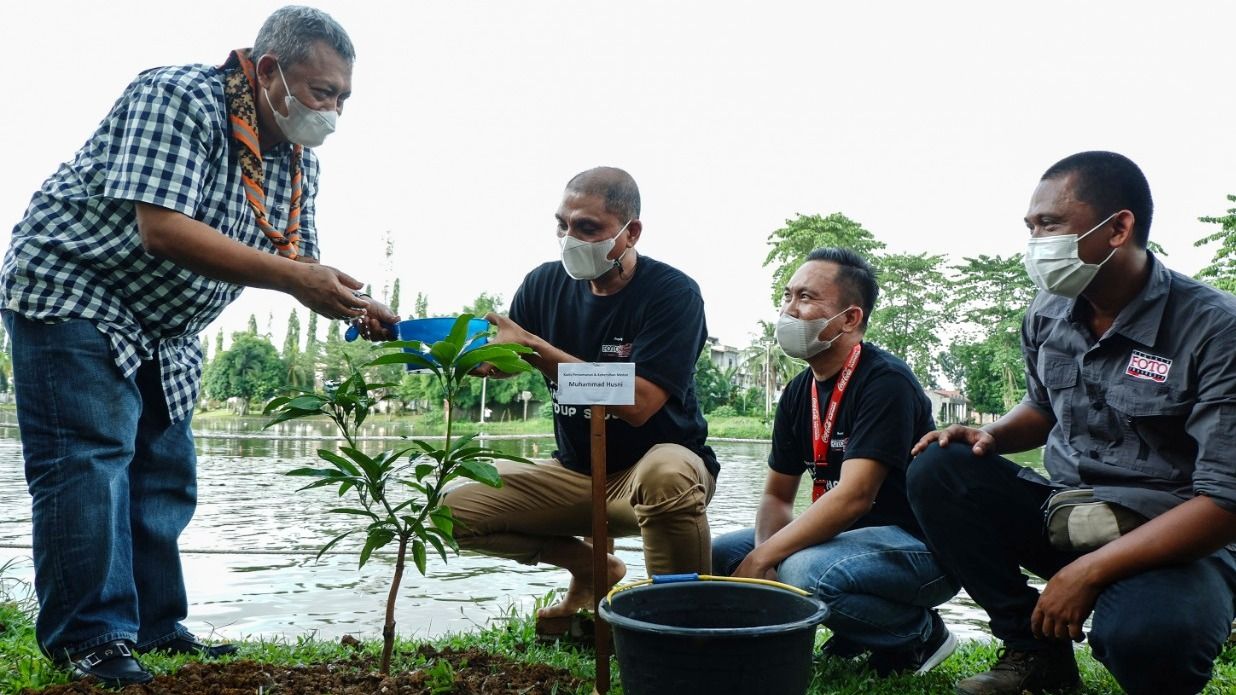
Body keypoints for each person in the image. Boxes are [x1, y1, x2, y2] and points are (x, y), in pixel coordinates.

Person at [0, 6, 397, 687]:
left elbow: (297, 259)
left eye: (343, 98)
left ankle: (155, 625)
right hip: (76, 288)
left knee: (164, 471)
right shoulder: (179, 96)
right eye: (322, 91)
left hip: (164, 325)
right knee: (91, 460)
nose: (333, 111)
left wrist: (356, 305)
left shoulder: (298, 161)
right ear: (269, 70)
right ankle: (91, 640)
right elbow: (163, 230)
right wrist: (300, 279)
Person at [908, 151, 1236, 695]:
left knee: (1153, 639)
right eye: (1031, 227)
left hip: (1172, 532)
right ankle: (1034, 653)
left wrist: (1087, 573)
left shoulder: (1214, 329)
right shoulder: (1047, 311)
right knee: (939, 466)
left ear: (1119, 228)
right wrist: (992, 435)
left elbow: (1226, 503)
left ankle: (1147, 633)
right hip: (1068, 512)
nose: (1036, 243)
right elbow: (1042, 407)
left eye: (1051, 225)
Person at [445, 166, 718, 627]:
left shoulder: (673, 294)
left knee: (667, 473)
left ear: (630, 233)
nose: (570, 237)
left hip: (650, 473)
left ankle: (681, 627)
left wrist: (536, 349)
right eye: (562, 224)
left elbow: (637, 404)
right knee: (451, 510)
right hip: (574, 472)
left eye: (587, 228)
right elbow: (513, 360)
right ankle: (592, 569)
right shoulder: (542, 285)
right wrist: (477, 357)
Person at [712, 248, 959, 675]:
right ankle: (854, 632)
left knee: (803, 571)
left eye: (806, 298)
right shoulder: (798, 392)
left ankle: (921, 634)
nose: (789, 310)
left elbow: (854, 497)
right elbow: (776, 494)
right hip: (849, 543)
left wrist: (766, 560)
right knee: (720, 555)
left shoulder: (886, 382)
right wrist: (761, 561)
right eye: (787, 296)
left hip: (922, 547)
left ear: (849, 318)